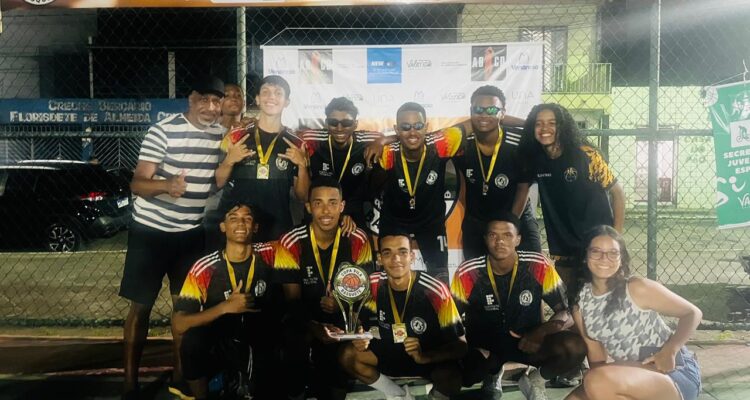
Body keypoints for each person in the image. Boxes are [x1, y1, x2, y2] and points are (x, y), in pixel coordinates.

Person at [119, 75, 226, 398]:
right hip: (150, 233)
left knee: (185, 310)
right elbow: (138, 183)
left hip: (189, 235)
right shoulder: (162, 131)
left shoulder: (220, 135)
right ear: (191, 99)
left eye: (216, 101)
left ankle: (180, 378)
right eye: (204, 100)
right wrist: (167, 185)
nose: (210, 107)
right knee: (141, 307)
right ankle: (130, 386)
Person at [451, 212, 585, 400]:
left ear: (518, 239)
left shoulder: (538, 265)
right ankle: (491, 374)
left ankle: (536, 380)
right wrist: (463, 344)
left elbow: (568, 311)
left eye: (507, 235)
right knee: (464, 373)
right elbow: (450, 319)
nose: (500, 241)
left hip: (527, 341)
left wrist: (542, 331)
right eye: (493, 235)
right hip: (485, 345)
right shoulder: (469, 272)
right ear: (485, 239)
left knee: (574, 347)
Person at [565, 225, 702, 400]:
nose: (604, 258)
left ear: (621, 258)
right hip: (633, 373)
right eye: (596, 251)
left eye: (613, 253)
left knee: (595, 381)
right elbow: (596, 357)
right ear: (585, 256)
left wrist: (670, 350)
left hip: (671, 370)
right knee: (584, 391)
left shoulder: (636, 287)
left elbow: (693, 313)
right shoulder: (580, 302)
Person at [273, 177, 374, 400]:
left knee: (336, 370)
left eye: (332, 202)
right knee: (293, 341)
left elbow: (365, 293)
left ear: (342, 206)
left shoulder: (358, 239)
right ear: (308, 207)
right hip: (304, 317)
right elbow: (292, 301)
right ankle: (297, 391)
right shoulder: (290, 241)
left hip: (343, 315)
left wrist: (345, 312)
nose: (326, 211)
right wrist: (315, 327)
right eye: (318, 203)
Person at [339, 231, 467, 400]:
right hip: (389, 352)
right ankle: (397, 395)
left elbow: (461, 346)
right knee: (348, 355)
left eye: (402, 252)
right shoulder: (371, 284)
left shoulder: (435, 290)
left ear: (412, 256)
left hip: (425, 356)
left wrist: (425, 357)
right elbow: (358, 320)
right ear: (379, 259)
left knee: (452, 378)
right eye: (387, 253)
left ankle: (435, 396)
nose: (396, 259)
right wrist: (360, 335)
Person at [173, 203, 278, 400]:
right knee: (192, 342)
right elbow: (179, 323)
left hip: (259, 335)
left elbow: (302, 241)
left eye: (247, 218)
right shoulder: (205, 268)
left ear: (255, 227)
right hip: (220, 338)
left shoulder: (270, 253)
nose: (241, 223)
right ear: (223, 226)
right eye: (233, 218)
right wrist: (224, 307)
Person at [519, 103, 625, 286]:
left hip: (597, 245)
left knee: (601, 296)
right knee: (569, 299)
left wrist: (616, 237)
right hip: (563, 249)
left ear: (562, 126)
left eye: (552, 123)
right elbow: (521, 190)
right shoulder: (535, 160)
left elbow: (618, 194)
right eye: (538, 123)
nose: (545, 128)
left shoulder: (586, 155)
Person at [371, 102, 464, 283]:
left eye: (418, 126)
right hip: (395, 222)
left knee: (440, 279)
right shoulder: (387, 153)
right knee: (388, 279)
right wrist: (382, 141)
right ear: (396, 129)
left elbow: (473, 123)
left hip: (430, 223)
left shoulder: (441, 145)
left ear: (426, 127)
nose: (412, 132)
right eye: (405, 127)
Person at [216, 75, 310, 242]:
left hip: (278, 227)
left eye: (278, 93)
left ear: (287, 102)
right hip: (242, 226)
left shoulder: (296, 143)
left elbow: (302, 196)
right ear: (258, 99)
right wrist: (229, 160)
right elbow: (218, 182)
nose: (271, 97)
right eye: (266, 92)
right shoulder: (236, 136)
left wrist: (302, 166)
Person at [453, 86, 541, 259]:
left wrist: (510, 226)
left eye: (492, 110)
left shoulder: (519, 142)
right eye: (478, 110)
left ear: (503, 113)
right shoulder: (462, 143)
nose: (484, 115)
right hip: (478, 219)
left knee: (534, 266)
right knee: (475, 272)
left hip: (516, 214)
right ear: (471, 111)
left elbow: (523, 189)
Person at [301, 97, 383, 231]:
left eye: (346, 123)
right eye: (333, 122)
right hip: (320, 207)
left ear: (355, 124)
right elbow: (288, 136)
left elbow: (399, 137)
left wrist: (381, 142)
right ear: (326, 123)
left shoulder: (366, 140)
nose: (339, 128)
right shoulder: (313, 139)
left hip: (352, 209)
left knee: (357, 241)